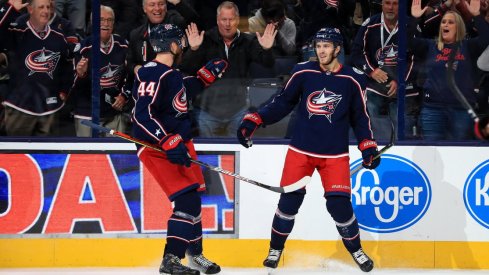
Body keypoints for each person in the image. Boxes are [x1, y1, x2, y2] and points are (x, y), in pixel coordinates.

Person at [237, 27, 378, 273]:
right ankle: (275, 249)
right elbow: (282, 102)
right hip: (301, 150)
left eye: (326, 46)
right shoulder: (302, 72)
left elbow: (360, 117)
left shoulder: (353, 78)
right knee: (289, 202)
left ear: (337, 49)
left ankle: (355, 249)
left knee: (339, 206)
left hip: (335, 155)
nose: (321, 50)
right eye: (318, 46)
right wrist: (255, 119)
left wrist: (367, 146)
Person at [132, 23, 228, 274]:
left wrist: (203, 78)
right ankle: (171, 259)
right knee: (186, 200)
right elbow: (141, 116)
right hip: (156, 147)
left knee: (194, 199)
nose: (183, 46)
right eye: (180, 41)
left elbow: (179, 92)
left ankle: (195, 256)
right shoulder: (153, 72)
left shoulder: (168, 72)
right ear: (173, 45)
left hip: (176, 142)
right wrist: (166, 139)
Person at [181, 1, 277, 137]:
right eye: (223, 19)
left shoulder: (248, 41)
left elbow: (268, 64)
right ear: (217, 20)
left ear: (237, 20)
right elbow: (186, 68)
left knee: (241, 150)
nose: (227, 24)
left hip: (238, 110)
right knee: (207, 155)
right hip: (206, 111)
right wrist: (194, 49)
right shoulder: (205, 39)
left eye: (231, 19)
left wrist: (267, 49)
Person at [410, 0, 489, 140]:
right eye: (443, 22)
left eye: (451, 22)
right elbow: (406, 41)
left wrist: (476, 14)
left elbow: (486, 38)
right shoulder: (430, 46)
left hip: (462, 110)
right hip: (432, 109)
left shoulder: (468, 47)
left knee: (459, 156)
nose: (445, 24)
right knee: (432, 154)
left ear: (458, 27)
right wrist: (415, 19)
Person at [0, 0, 72, 136]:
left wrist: (64, 89)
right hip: (19, 108)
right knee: (19, 156)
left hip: (50, 109)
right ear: (30, 10)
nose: (46, 11)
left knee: (47, 157)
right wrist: (9, 9)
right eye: (41, 7)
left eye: (48, 7)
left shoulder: (59, 36)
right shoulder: (17, 31)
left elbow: (67, 66)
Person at [350, 0, 419, 141]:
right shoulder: (370, 24)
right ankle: (378, 151)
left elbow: (417, 57)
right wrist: (371, 71)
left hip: (403, 86)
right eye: (387, 3)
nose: (391, 7)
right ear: (382, 4)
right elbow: (357, 53)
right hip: (375, 85)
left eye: (395, 4)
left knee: (401, 130)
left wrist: (400, 80)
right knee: (374, 124)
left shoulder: (409, 25)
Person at [70, 5, 131, 137]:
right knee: (88, 156)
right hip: (87, 114)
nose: (106, 23)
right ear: (93, 23)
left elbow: (131, 77)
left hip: (114, 114)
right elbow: (72, 86)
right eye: (101, 20)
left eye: (109, 20)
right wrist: (81, 74)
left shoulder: (123, 45)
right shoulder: (83, 48)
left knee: (115, 156)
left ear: (114, 23)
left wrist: (124, 96)